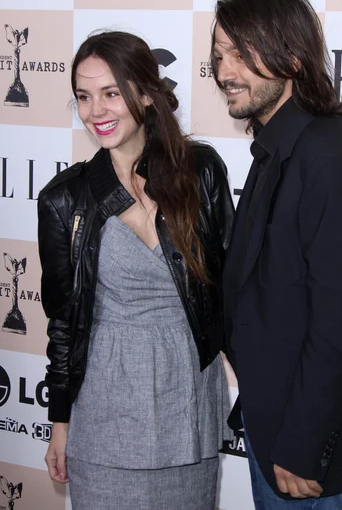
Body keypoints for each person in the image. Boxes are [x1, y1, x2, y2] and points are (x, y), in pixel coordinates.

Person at [211, 0, 342, 510]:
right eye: (220, 54)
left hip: (299, 441)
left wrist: (302, 446)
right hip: (275, 418)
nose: (224, 72)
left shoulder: (325, 158)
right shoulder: (284, 146)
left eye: (242, 54)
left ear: (291, 57)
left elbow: (339, 324)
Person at [38, 31, 234, 510]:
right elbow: (63, 323)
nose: (96, 111)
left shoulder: (200, 170)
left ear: (145, 93)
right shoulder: (65, 199)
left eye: (111, 93)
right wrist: (59, 424)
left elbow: (233, 287)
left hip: (188, 404)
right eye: (84, 97)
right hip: (105, 410)